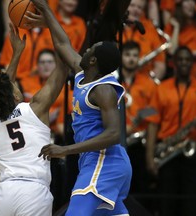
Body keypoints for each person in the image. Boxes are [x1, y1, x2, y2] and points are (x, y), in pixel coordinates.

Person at [29, 1, 132, 215]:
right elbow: (63, 44)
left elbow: (114, 134)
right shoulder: (83, 74)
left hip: (104, 162)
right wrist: (47, 11)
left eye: (90, 49)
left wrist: (65, 150)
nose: (84, 50)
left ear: (93, 60)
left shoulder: (103, 89)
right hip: (96, 162)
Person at [0, 23, 68, 216]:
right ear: (16, 96)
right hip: (34, 191)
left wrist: (17, 54)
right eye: (15, 86)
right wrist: (52, 25)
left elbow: (2, 88)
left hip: (5, 192)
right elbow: (61, 68)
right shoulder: (35, 109)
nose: (16, 84)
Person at [146, 46, 196, 216]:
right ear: (173, 63)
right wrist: (150, 157)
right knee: (167, 203)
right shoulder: (161, 89)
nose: (183, 63)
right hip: (167, 152)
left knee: (193, 204)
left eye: (187, 60)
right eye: (180, 59)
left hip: (193, 151)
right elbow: (152, 124)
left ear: (192, 64)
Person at [121, 41, 157, 195]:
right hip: (116, 141)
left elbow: (153, 117)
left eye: (135, 55)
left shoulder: (148, 84)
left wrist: (150, 154)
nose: (131, 59)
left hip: (138, 144)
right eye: (127, 55)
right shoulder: (112, 81)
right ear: (120, 57)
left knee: (139, 189)